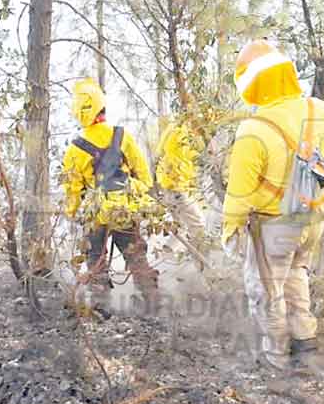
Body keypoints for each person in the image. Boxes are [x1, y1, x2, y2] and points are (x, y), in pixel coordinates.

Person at [222, 40, 324, 371]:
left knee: (266, 289)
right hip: (314, 219)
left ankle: (276, 357)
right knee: (296, 275)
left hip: (274, 226)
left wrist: (230, 230)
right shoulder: (321, 111)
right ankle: (305, 342)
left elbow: (239, 194)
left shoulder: (254, 129)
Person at [61, 78, 159, 312]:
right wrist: (139, 194)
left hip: (96, 215)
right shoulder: (122, 135)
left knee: (95, 258)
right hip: (125, 210)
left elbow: (72, 189)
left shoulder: (75, 148)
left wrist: (72, 212)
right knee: (136, 256)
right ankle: (153, 304)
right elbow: (143, 173)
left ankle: (101, 309)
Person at [154, 115, 213, 255]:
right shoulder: (183, 133)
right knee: (198, 225)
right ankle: (202, 261)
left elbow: (160, 153)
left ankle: (166, 254)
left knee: (179, 225)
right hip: (176, 187)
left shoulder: (172, 127)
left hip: (168, 185)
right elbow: (190, 157)